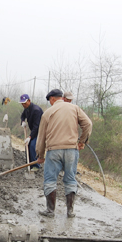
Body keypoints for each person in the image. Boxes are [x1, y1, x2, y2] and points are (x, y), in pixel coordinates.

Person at [35, 89, 92, 218]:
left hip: (53, 151)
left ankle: (50, 211)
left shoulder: (48, 113)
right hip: (72, 150)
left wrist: (40, 155)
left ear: (53, 99)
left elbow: (41, 137)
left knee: (50, 180)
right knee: (70, 179)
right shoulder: (75, 108)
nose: (50, 103)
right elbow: (88, 124)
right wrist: (82, 141)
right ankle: (70, 211)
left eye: (50, 100)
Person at [19, 94, 43, 167]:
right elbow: (22, 116)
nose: (23, 105)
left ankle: (36, 166)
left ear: (29, 101)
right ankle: (29, 164)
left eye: (25, 103)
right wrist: (23, 121)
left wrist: (30, 137)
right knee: (28, 145)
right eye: (22, 103)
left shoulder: (36, 110)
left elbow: (37, 126)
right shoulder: (27, 108)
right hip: (34, 130)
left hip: (40, 131)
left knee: (33, 146)